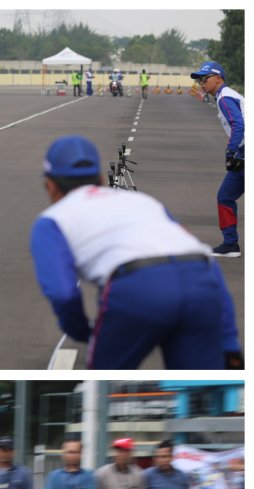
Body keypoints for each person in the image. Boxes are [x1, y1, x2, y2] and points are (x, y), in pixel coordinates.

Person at [30, 134, 243, 369]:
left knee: (102, 378)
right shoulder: (144, 201)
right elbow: (198, 254)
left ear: (49, 184)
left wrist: (84, 332)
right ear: (101, 178)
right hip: (203, 281)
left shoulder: (51, 221)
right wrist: (229, 344)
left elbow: (62, 293)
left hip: (139, 286)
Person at [190, 61, 245, 258]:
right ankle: (230, 244)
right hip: (242, 153)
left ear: (218, 78)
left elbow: (239, 125)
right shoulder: (223, 96)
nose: (201, 83)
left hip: (244, 152)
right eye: (199, 80)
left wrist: (231, 152)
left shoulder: (225, 97)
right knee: (225, 197)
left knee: (225, 197)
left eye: (204, 79)